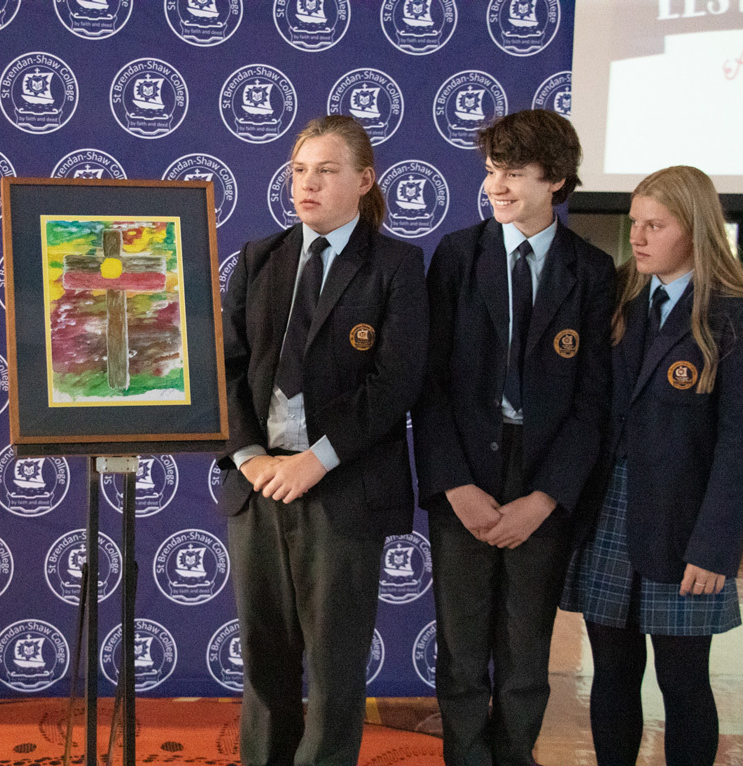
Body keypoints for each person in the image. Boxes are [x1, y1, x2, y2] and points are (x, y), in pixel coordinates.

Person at [215, 114, 427, 765]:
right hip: (257, 490)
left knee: (335, 671)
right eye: (299, 170)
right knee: (264, 664)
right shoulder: (259, 258)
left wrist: (317, 459)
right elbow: (224, 368)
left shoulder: (396, 265)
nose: (307, 184)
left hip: (343, 491)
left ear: (364, 180)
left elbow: (395, 383)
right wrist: (249, 457)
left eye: (326, 171)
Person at [411, 109, 616, 765]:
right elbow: (428, 384)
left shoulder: (591, 270)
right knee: (461, 649)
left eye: (514, 173)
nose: (495, 186)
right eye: (491, 170)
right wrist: (455, 485)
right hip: (465, 470)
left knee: (526, 652)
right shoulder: (455, 256)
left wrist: (546, 497)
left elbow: (593, 403)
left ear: (555, 180)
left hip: (542, 474)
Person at [560, 165, 743, 766]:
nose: (637, 236)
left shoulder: (740, 314)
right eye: (635, 222)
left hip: (687, 529)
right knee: (611, 674)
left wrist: (715, 548)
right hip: (608, 518)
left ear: (695, 229)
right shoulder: (622, 297)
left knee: (682, 681)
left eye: (655, 225)